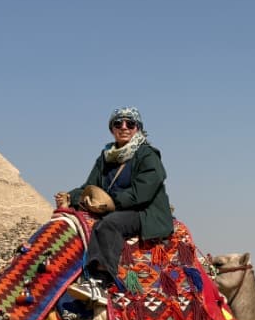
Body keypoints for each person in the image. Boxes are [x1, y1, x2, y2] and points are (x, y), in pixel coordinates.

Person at [54, 107, 173, 304]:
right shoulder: (106, 157)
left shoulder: (147, 155)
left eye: (130, 123)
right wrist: (70, 197)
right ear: (112, 129)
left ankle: (100, 280)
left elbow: (141, 193)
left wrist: (108, 203)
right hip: (110, 207)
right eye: (118, 123)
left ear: (137, 128)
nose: (124, 127)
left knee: (108, 225)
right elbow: (90, 187)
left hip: (143, 211)